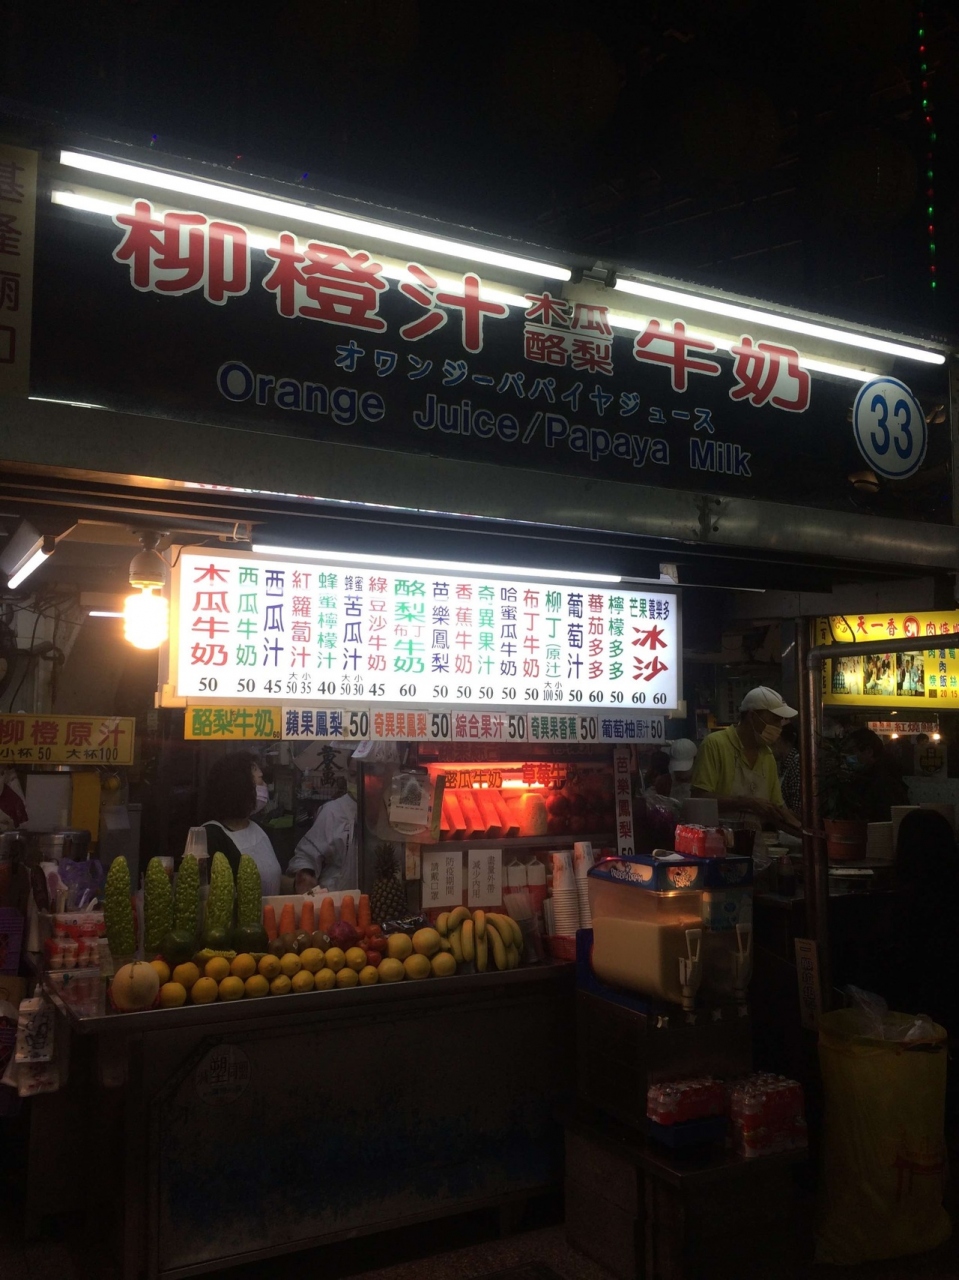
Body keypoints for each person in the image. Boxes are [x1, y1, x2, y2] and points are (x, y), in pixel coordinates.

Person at [691, 687, 801, 832]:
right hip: (718, 838)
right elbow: (699, 798)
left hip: (757, 840)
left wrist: (799, 828)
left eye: (780, 721)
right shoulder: (715, 744)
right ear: (752, 716)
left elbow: (775, 807)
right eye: (775, 719)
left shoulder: (767, 755)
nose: (778, 727)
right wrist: (747, 803)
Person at [201, 751, 281, 895]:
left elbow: (270, 879)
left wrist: (295, 884)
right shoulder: (211, 836)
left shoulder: (259, 829)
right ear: (239, 786)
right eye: (260, 780)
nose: (265, 785)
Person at [288, 771, 358, 894]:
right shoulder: (332, 811)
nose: (359, 780)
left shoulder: (389, 811)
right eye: (354, 774)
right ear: (347, 774)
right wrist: (306, 872)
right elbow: (307, 854)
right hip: (333, 897)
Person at [841, 727, 910, 821]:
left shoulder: (882, 782)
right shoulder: (883, 774)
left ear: (869, 751)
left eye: (852, 752)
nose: (848, 757)